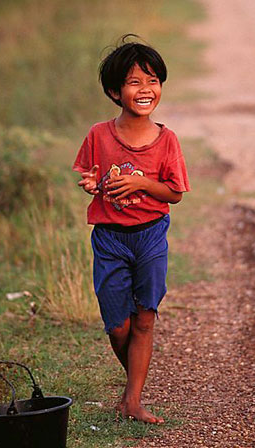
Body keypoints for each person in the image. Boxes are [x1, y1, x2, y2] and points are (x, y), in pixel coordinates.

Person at [73, 36, 190, 424]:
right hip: (109, 238)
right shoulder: (99, 134)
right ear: (114, 91)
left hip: (151, 235)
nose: (145, 90)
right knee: (119, 326)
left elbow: (174, 193)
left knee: (144, 318)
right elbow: (90, 174)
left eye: (153, 81)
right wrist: (91, 183)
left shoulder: (166, 140)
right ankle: (132, 389)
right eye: (134, 82)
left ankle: (133, 400)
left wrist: (141, 184)